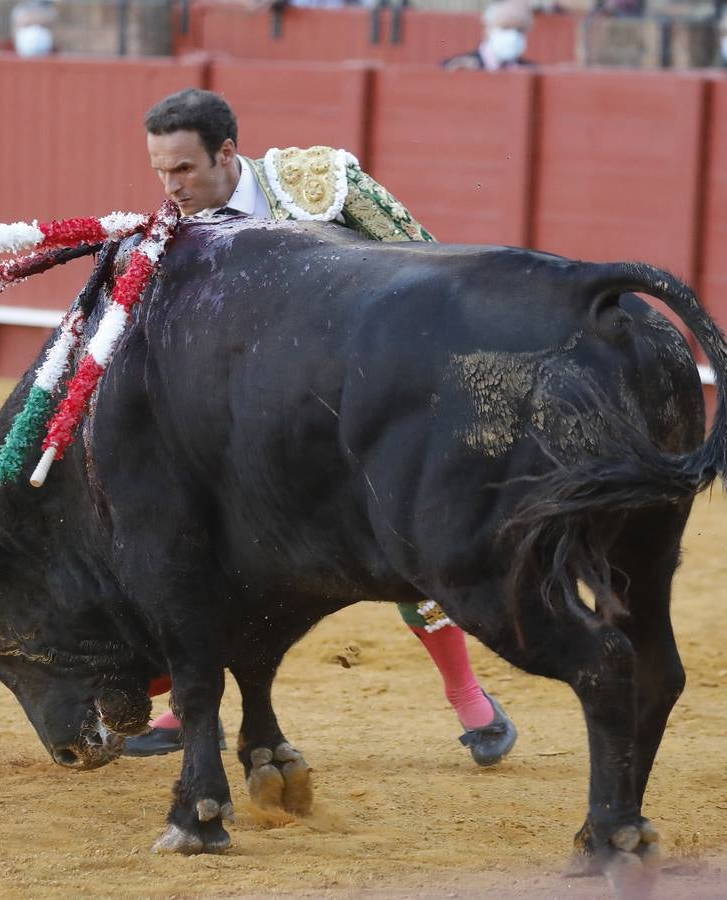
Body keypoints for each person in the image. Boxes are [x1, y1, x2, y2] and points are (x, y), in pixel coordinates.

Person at [121, 87, 518, 766]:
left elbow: (424, 264)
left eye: (183, 170)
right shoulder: (174, 237)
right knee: (208, 554)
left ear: (226, 153)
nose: (170, 187)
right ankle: (189, 706)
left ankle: (467, 693)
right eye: (159, 171)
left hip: (370, 408)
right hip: (263, 432)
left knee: (409, 547)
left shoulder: (316, 185)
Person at [442, 1, 536, 72]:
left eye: (520, 30)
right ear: (487, 30)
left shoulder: (532, 70)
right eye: (505, 27)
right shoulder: (457, 67)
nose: (513, 35)